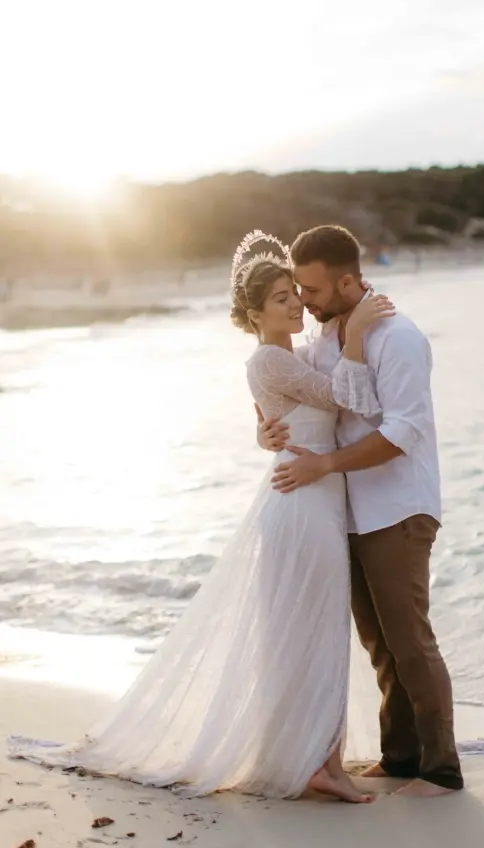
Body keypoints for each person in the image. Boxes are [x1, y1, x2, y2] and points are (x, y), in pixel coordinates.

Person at [7, 231, 394, 805]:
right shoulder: (271, 358)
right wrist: (358, 334)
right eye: (282, 299)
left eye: (295, 294)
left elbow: (294, 415)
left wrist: (267, 432)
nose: (294, 305)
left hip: (308, 498)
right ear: (255, 312)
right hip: (302, 506)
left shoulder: (285, 358)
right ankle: (321, 763)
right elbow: (350, 397)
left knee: (305, 635)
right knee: (314, 634)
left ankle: (310, 756)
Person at [258, 225, 464, 798]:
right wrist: (264, 426)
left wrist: (327, 467)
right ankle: (399, 756)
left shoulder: (398, 337)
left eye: (314, 290)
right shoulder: (326, 337)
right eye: (298, 290)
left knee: (409, 639)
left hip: (398, 505)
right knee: (378, 642)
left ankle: (441, 767)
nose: (305, 301)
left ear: (349, 280)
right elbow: (285, 383)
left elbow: (403, 431)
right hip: (347, 510)